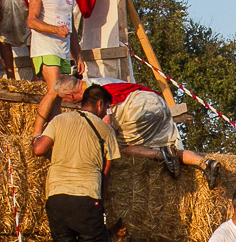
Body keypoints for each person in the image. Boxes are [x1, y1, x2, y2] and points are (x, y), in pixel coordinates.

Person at [31, 84, 119, 242]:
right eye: (106, 107)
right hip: (87, 196)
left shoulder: (59, 121)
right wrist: (101, 200)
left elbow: (38, 150)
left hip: (57, 197)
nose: (106, 112)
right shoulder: (106, 130)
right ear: (100, 104)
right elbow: (107, 171)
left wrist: (36, 134)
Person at [44, 76, 222, 183]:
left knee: (120, 149)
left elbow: (107, 122)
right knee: (168, 145)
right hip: (157, 104)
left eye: (66, 99)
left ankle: (160, 155)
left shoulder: (95, 94)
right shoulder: (99, 80)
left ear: (70, 95)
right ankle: (205, 163)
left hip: (136, 109)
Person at [27, 0, 86, 129]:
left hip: (63, 51)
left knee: (59, 96)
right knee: (54, 90)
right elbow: (31, 21)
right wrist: (55, 30)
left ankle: (55, 133)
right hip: (45, 48)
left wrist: (79, 56)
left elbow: (71, 29)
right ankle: (36, 132)